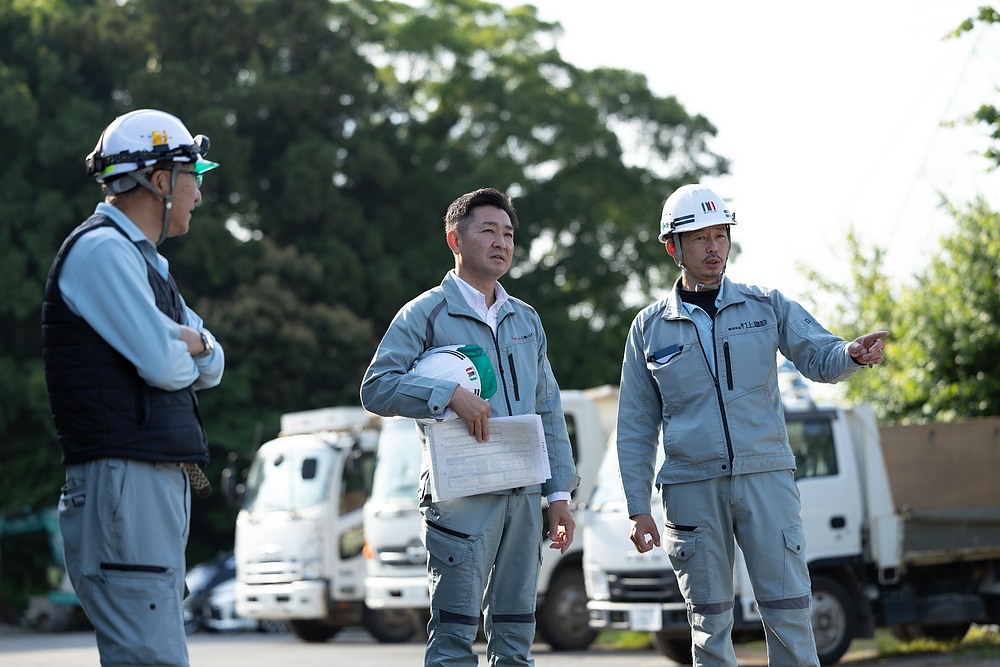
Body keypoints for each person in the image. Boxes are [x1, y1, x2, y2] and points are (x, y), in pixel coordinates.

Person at [616, 184, 887, 667]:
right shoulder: (649, 327)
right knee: (708, 623)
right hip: (691, 486)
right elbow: (636, 424)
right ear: (673, 247)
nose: (714, 247)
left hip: (766, 477)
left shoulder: (766, 305)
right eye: (700, 238)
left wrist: (850, 354)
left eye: (721, 235)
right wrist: (639, 507)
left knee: (789, 614)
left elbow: (819, 355)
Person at [360, 187, 579, 666]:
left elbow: (548, 408)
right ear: (454, 240)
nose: (501, 242)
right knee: (455, 640)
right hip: (461, 500)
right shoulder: (425, 313)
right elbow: (376, 388)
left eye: (508, 234)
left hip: (523, 498)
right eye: (488, 231)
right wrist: (448, 395)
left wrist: (559, 496)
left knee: (517, 641)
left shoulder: (527, 319)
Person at [41, 108, 225, 667]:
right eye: (194, 175)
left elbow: (214, 363)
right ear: (161, 179)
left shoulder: (147, 263)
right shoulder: (103, 251)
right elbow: (168, 369)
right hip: (125, 480)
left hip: (143, 480)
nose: (199, 192)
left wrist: (189, 344)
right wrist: (189, 343)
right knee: (152, 659)